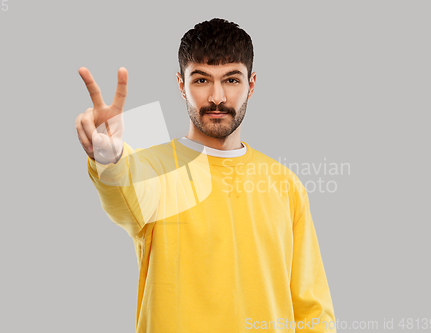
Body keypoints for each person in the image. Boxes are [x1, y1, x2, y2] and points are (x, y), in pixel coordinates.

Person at [75, 18, 336, 333]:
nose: (217, 97)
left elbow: (312, 310)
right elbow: (124, 193)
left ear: (251, 84)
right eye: (201, 80)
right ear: (181, 85)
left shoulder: (285, 183)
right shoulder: (154, 169)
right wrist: (108, 154)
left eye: (231, 80)